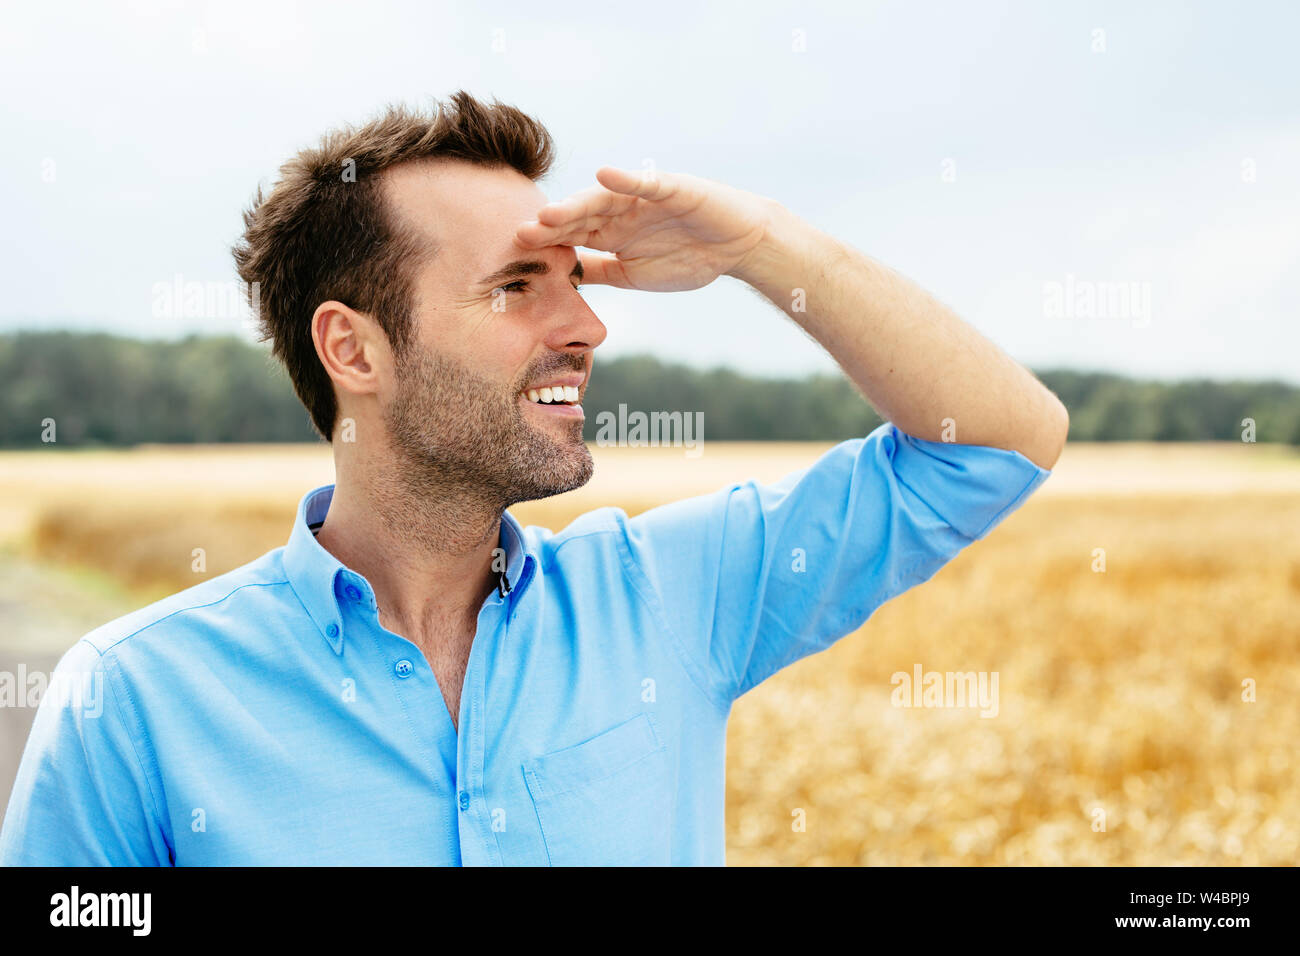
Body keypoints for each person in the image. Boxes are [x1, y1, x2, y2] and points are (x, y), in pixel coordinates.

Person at [0, 91, 1067, 866]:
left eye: (573, 282)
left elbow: (995, 443)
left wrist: (758, 245)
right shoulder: (135, 701)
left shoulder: (671, 595)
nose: (588, 326)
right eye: (517, 287)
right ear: (354, 350)